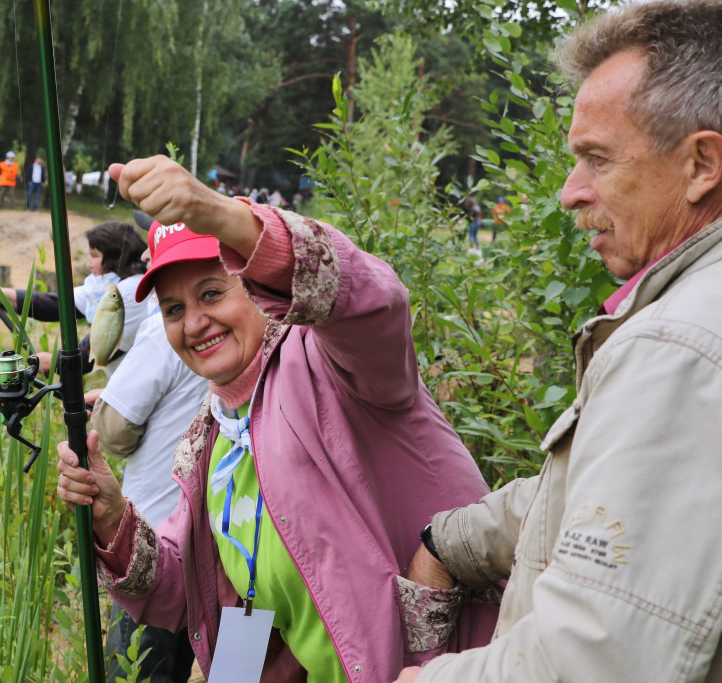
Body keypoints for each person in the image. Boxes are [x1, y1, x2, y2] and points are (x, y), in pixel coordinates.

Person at [56, 156, 499, 681]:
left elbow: (376, 302)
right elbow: (186, 591)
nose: (194, 323)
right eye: (173, 309)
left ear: (256, 284)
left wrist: (222, 216)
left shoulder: (335, 365)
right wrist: (110, 514)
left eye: (212, 292)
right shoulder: (213, 435)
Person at [397, 3, 722, 681]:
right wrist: (451, 537)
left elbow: (593, 659)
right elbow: (610, 497)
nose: (570, 193)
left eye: (596, 159)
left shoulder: (678, 348)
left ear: (701, 163)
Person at [93, 244, 208, 681]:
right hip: (221, 551)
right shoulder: (254, 327)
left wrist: (108, 409)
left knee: (138, 669)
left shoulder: (168, 326)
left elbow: (115, 430)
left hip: (153, 541)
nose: (142, 252)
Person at [0, 221, 149, 375]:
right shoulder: (110, 285)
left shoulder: (132, 291)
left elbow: (96, 347)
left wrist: (53, 361)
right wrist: (2, 295)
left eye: (94, 256)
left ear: (115, 257)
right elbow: (59, 305)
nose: (89, 264)